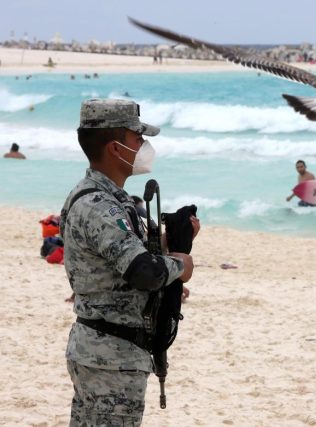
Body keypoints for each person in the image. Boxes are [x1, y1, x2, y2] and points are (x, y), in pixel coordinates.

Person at [60, 98, 197, 426]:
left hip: (102, 352)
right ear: (115, 148)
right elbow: (144, 273)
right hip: (111, 357)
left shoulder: (101, 198)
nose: (144, 146)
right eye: (138, 139)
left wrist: (168, 244)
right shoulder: (100, 206)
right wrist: (182, 264)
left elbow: (116, 262)